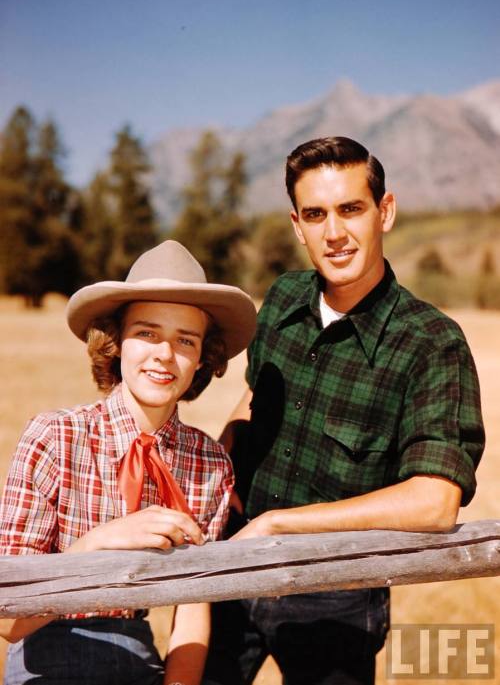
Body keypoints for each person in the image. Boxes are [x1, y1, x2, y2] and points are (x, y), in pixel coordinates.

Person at [203, 137, 485, 685]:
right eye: (316, 214)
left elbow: (435, 501)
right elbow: (254, 396)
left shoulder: (431, 343)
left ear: (386, 211)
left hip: (335, 592)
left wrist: (281, 524)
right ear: (296, 224)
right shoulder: (282, 298)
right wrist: (221, 466)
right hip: (232, 563)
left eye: (350, 209)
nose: (334, 233)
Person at [0, 239, 257, 685]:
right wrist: (99, 543)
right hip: (45, 653)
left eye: (185, 340)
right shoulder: (54, 438)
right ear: (116, 342)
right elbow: (8, 622)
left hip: (140, 658)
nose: (164, 354)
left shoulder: (209, 464)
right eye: (147, 333)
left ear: (202, 358)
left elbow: (193, 607)